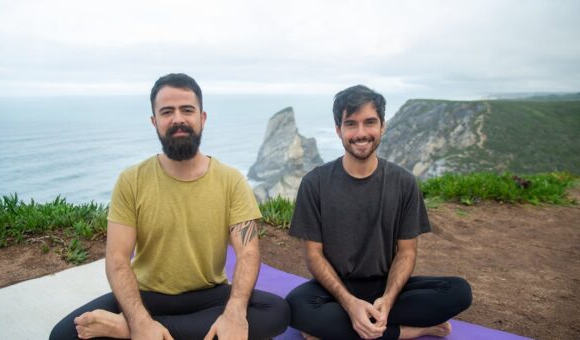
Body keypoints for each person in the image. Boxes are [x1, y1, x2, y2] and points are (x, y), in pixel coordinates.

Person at [50, 73, 290, 340]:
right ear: (155, 122)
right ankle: (156, 330)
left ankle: (128, 331)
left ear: (202, 118)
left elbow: (248, 253)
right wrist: (140, 320)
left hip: (209, 296)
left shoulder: (230, 180)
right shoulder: (132, 180)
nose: (178, 119)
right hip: (146, 296)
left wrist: (234, 312)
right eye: (167, 112)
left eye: (187, 110)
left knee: (276, 310)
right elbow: (117, 259)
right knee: (63, 335)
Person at [285, 85, 472, 340]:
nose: (361, 133)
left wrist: (389, 299)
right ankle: (407, 331)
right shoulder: (314, 183)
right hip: (336, 290)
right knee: (295, 307)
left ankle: (340, 328)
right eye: (351, 124)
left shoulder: (403, 182)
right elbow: (313, 255)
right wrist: (350, 304)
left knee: (459, 292)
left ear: (382, 126)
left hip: (386, 287)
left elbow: (407, 252)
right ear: (339, 130)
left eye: (369, 122)